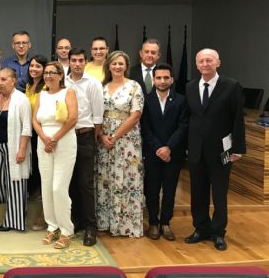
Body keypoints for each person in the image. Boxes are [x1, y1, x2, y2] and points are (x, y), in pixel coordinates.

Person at [184, 49, 245, 251]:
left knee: (219, 194)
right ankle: (201, 229)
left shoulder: (231, 86)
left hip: (222, 151)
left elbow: (238, 119)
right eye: (201, 61)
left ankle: (218, 232)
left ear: (218, 62)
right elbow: (188, 119)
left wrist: (238, 148)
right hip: (196, 150)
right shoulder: (191, 87)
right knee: (198, 193)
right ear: (196, 64)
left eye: (209, 60)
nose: (205, 64)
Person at [96, 50, 145, 238]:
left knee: (125, 179)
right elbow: (97, 115)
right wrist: (102, 136)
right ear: (109, 65)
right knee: (106, 179)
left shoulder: (134, 86)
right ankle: (106, 222)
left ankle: (125, 225)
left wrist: (114, 136)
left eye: (121, 64)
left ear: (126, 66)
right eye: (114, 63)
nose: (117, 67)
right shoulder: (102, 87)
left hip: (126, 140)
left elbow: (136, 115)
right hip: (104, 140)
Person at [141, 63, 189, 241]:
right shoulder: (146, 99)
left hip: (173, 153)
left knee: (169, 190)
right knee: (152, 189)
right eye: (158, 78)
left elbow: (183, 126)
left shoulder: (181, 100)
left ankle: (166, 223)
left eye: (165, 78)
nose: (162, 81)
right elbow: (145, 128)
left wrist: (168, 147)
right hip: (152, 152)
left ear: (172, 79)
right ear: (153, 80)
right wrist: (157, 148)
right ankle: (153, 222)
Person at [33, 61, 78, 249]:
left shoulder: (68, 92)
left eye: (53, 72)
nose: (48, 75)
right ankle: (52, 226)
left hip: (64, 141)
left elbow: (73, 118)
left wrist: (55, 139)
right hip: (44, 143)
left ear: (61, 76)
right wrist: (44, 138)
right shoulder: (41, 95)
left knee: (59, 187)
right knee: (47, 186)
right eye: (46, 72)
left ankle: (66, 229)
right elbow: (35, 120)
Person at [66, 47, 104, 246]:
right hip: (66, 138)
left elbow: (98, 117)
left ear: (85, 62)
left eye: (81, 60)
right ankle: (76, 221)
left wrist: (92, 138)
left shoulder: (93, 83)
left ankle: (91, 227)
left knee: (86, 183)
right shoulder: (62, 82)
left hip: (85, 136)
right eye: (74, 60)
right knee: (70, 182)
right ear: (69, 61)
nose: (78, 64)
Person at [0, 68, 32, 232]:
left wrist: (22, 150)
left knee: (15, 184)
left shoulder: (21, 100)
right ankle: (4, 201)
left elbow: (27, 128)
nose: (0, 83)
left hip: (14, 147)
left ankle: (13, 221)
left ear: (13, 80)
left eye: (4, 79)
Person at [25, 54, 48, 230]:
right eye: (32, 66)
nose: (34, 69)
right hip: (28, 133)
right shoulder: (28, 85)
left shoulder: (46, 87)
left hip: (42, 132)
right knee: (33, 167)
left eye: (38, 66)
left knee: (42, 170)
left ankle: (43, 212)